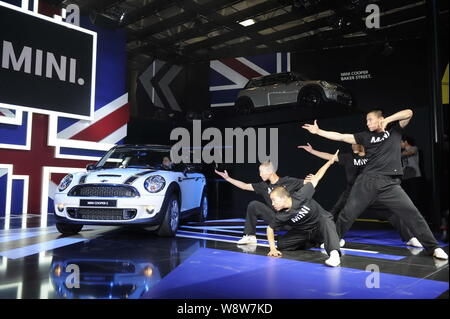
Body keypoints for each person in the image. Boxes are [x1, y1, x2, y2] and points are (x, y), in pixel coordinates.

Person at [302, 109, 448, 260]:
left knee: (412, 214)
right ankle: (333, 244)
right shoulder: (365, 137)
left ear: (380, 118)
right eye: (366, 120)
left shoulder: (394, 132)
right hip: (367, 181)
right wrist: (319, 132)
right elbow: (341, 137)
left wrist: (387, 120)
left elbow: (409, 113)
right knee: (347, 215)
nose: (367, 123)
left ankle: (433, 247)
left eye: (370, 119)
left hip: (390, 184)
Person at [298, 142, 422, 248]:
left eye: (355, 143)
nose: (353, 146)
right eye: (352, 144)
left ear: (363, 145)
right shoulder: (348, 158)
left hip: (371, 191)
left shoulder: (372, 157)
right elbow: (330, 157)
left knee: (392, 212)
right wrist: (312, 151)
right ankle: (333, 240)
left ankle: (410, 238)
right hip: (352, 192)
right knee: (335, 213)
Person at [266, 150, 342, 267]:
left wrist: (330, 162)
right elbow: (270, 229)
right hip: (304, 232)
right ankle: (321, 241)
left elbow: (317, 177)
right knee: (282, 244)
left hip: (319, 224)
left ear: (283, 198)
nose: (272, 204)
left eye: (274, 200)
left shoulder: (302, 195)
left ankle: (334, 253)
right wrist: (272, 249)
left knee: (325, 218)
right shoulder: (281, 215)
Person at [215, 162, 306, 245]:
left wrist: (314, 177)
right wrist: (228, 178)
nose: (260, 174)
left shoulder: (287, 181)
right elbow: (244, 186)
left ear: (270, 171)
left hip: (291, 221)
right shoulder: (264, 186)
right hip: (277, 220)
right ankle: (250, 236)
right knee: (254, 205)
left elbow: (307, 182)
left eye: (261, 172)